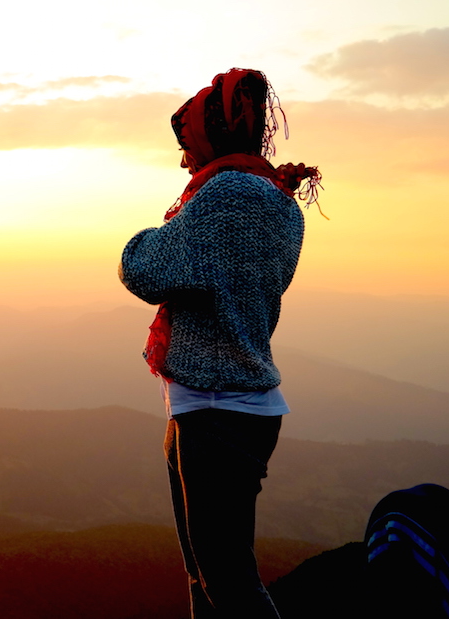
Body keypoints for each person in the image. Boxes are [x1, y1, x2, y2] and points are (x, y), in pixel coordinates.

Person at [118, 68, 321, 619]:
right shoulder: (279, 201)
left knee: (226, 577)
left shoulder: (226, 194)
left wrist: (150, 234)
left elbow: (143, 269)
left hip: (217, 410)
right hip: (225, 405)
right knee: (205, 572)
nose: (184, 161)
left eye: (187, 147)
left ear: (213, 137)